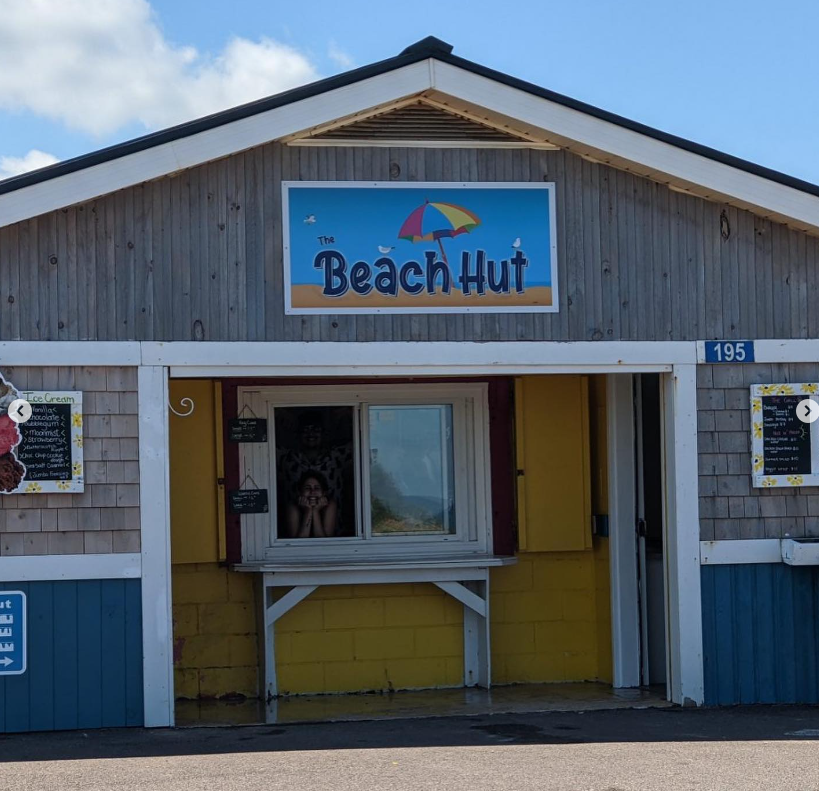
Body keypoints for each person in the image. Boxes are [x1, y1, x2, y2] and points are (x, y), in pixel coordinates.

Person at [277, 411, 353, 533]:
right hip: (294, 530)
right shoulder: (286, 458)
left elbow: (364, 442)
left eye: (316, 429)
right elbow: (261, 446)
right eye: (305, 430)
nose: (311, 434)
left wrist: (345, 412)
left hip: (334, 531)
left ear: (324, 433)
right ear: (298, 434)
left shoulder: (337, 456)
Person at [285, 470, 338, 538]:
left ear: (324, 493)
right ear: (300, 492)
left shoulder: (330, 505)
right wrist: (308, 511)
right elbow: (298, 543)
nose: (312, 492)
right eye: (307, 488)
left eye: (317, 488)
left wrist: (315, 511)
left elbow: (322, 542)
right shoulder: (293, 506)